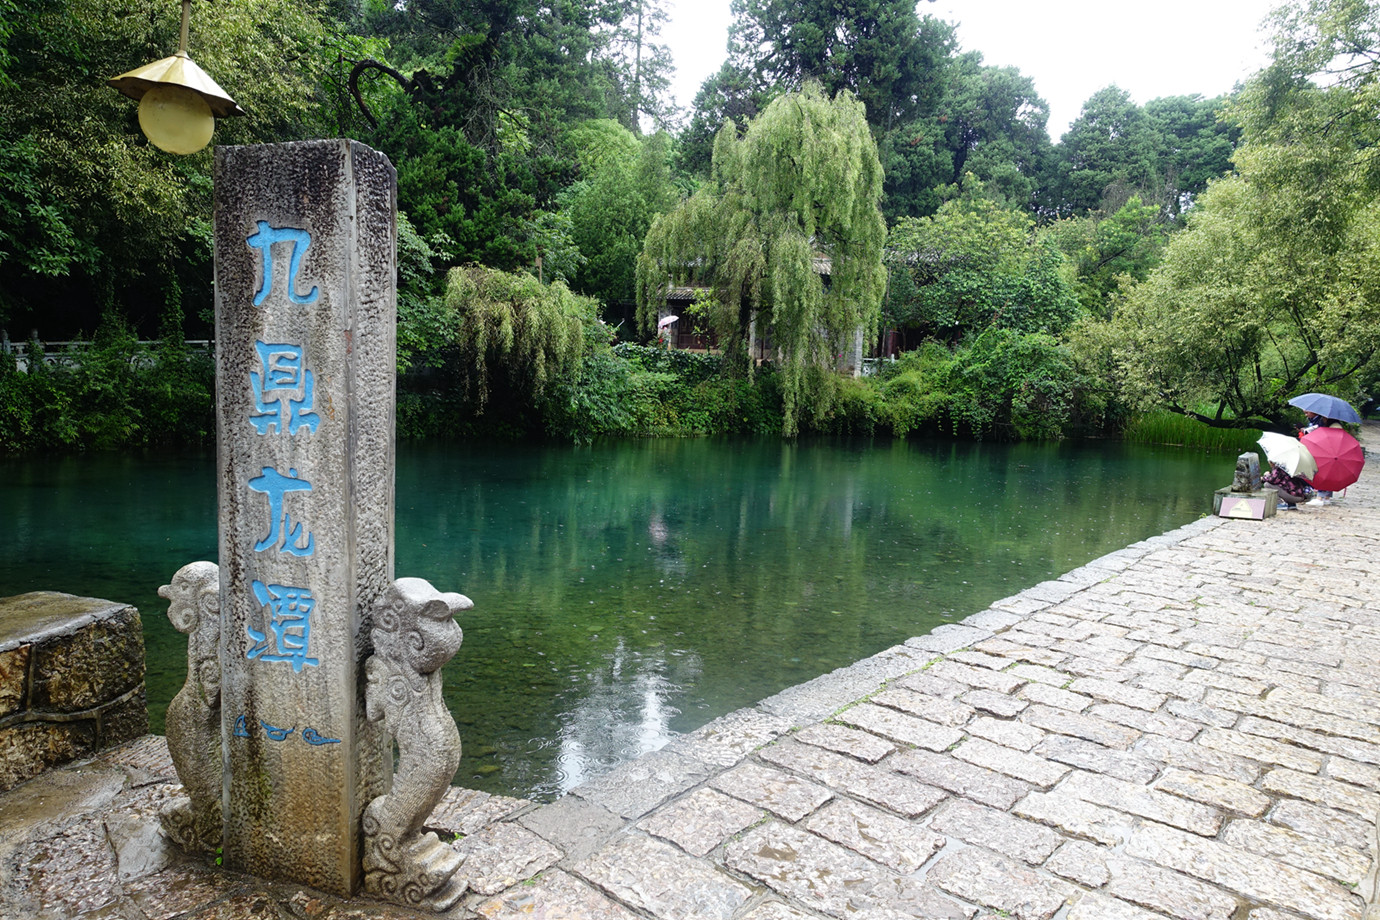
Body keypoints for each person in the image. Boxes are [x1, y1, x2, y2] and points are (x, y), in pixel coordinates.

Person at [1299, 412, 1343, 505]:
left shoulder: (1335, 427)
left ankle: (1320, 498)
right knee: (1328, 474)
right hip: (1330, 453)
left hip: (1329, 453)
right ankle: (1326, 497)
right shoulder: (1330, 424)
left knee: (1323, 473)